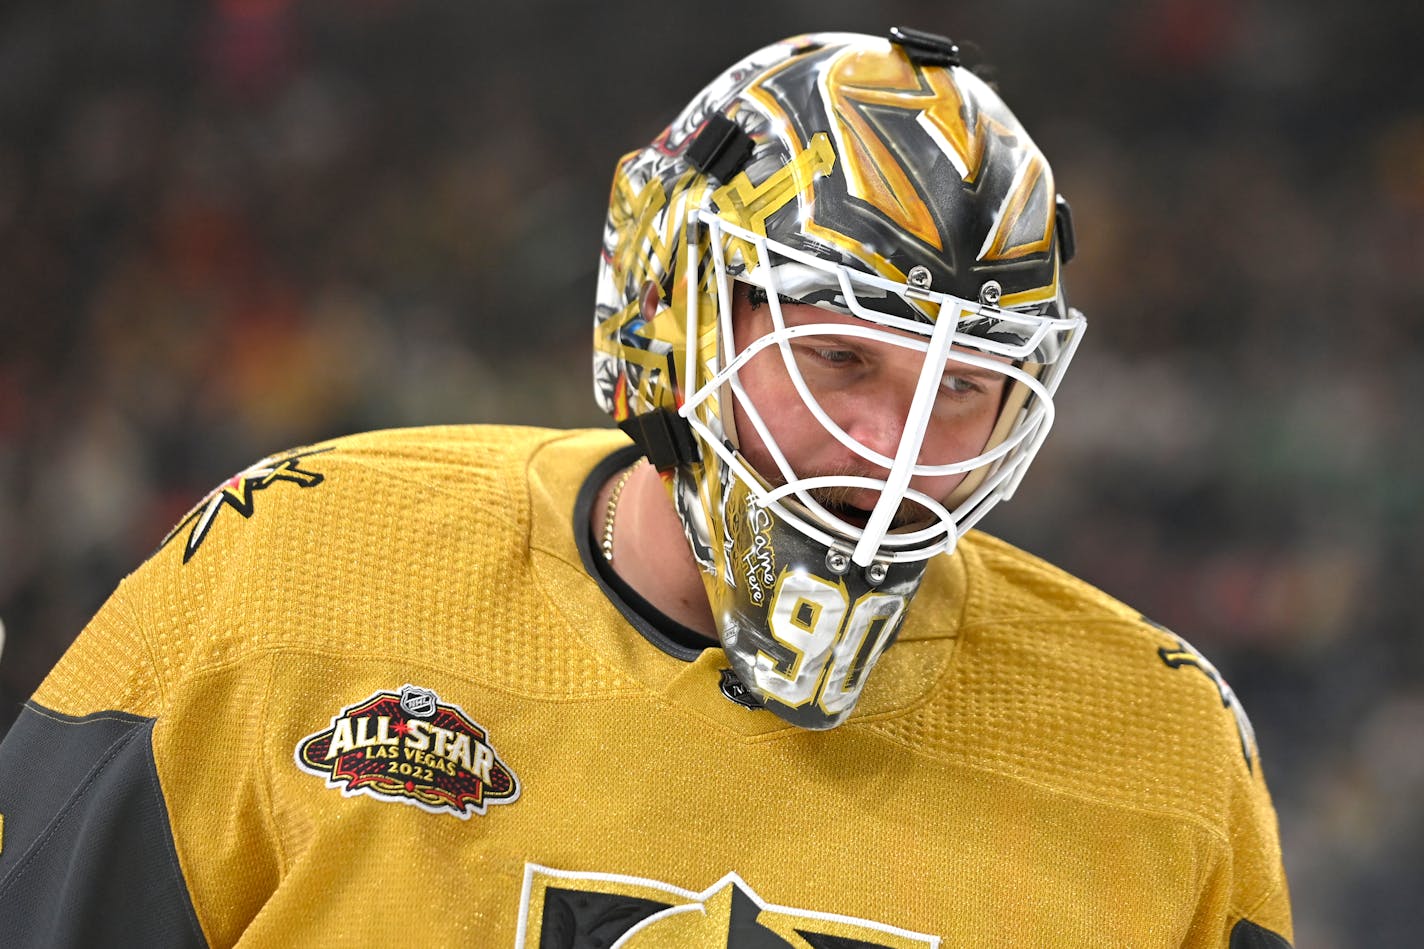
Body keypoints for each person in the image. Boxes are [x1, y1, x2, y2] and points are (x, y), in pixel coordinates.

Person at [0, 27, 1291, 947]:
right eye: (839, 357)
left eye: (965, 387)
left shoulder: (1156, 750)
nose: (898, 448)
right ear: (674, 315)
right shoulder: (295, 567)